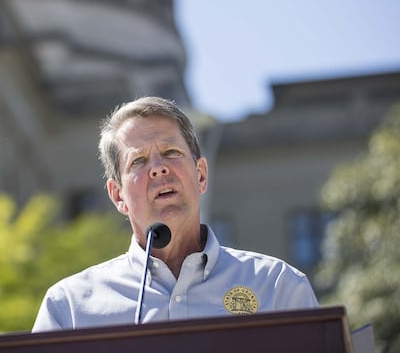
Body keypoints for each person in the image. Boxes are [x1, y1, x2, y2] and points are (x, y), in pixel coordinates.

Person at [32, 96, 318, 332]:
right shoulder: (69, 307)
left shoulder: (278, 287)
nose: (158, 168)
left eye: (170, 152)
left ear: (201, 175)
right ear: (118, 196)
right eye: (139, 160)